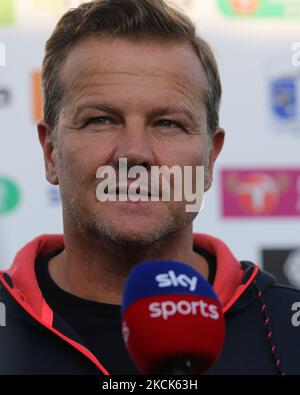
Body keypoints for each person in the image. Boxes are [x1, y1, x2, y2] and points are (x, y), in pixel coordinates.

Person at [0, 0, 299, 375]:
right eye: (101, 120)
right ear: (50, 152)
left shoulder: (288, 330)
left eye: (168, 124)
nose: (135, 154)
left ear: (210, 160)